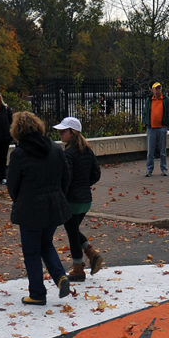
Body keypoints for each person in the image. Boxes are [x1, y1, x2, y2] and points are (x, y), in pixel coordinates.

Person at [6, 111, 72, 306]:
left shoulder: (19, 154)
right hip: (53, 206)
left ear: (17, 130)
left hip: (30, 208)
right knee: (46, 244)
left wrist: (19, 201)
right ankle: (60, 278)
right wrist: (58, 196)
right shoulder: (55, 149)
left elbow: (12, 185)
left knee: (31, 252)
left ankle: (37, 293)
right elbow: (65, 178)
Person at [54, 116, 103, 281]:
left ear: (72, 132)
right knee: (73, 229)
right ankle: (91, 253)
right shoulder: (88, 150)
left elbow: (66, 178)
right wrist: (84, 184)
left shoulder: (68, 153)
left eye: (63, 131)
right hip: (85, 199)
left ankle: (78, 269)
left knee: (72, 232)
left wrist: (62, 194)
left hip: (72, 199)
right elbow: (96, 174)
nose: (60, 134)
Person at [145, 82, 169, 177]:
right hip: (151, 128)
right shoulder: (149, 100)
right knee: (150, 151)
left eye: (159, 88)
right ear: (152, 90)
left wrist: (166, 124)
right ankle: (149, 169)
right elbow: (146, 112)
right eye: (156, 89)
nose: (158, 90)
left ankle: (164, 169)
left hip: (162, 128)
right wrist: (147, 123)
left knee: (162, 151)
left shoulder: (166, 99)